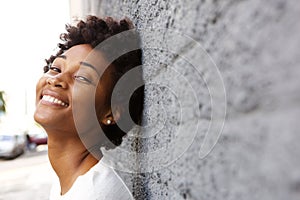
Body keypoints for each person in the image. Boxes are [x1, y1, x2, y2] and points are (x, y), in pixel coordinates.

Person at [34, 15, 144, 200]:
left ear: (111, 112)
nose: (56, 80)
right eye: (56, 69)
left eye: (83, 78)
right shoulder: (71, 183)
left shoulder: (94, 193)